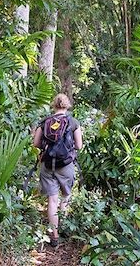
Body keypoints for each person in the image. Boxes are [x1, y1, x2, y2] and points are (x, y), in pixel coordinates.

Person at [32, 93, 83, 247]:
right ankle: (65, 227)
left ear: (54, 105)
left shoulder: (45, 122)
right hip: (66, 165)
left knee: (52, 200)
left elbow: (35, 143)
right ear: (67, 105)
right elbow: (79, 146)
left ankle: (54, 236)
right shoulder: (73, 122)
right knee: (66, 196)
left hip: (48, 165)